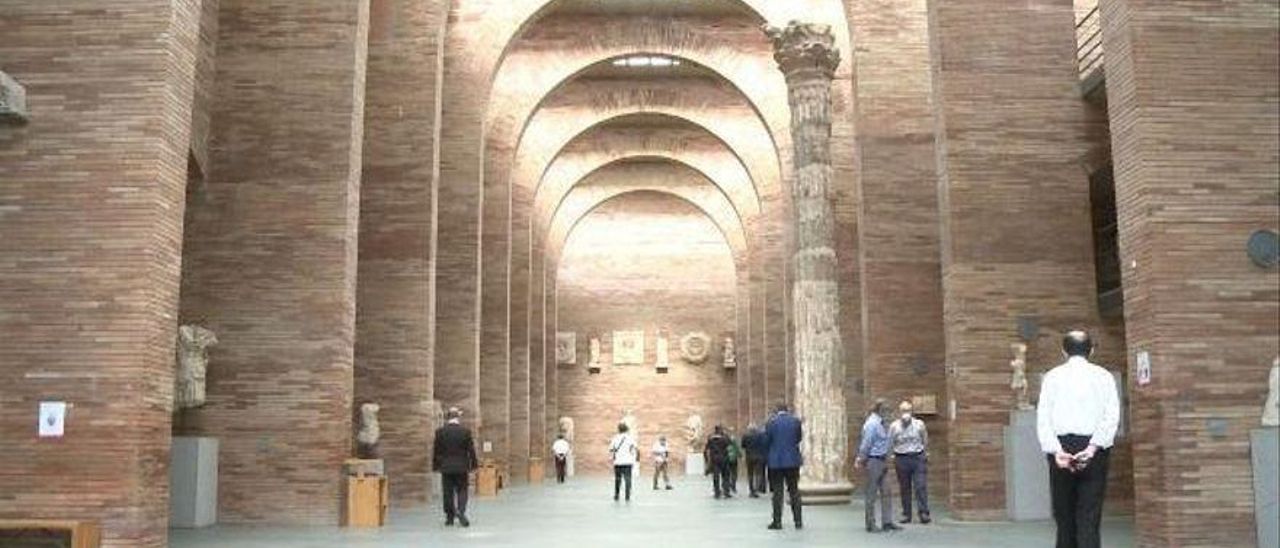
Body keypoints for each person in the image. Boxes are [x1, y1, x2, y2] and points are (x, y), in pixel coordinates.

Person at [1037, 330, 1120, 548]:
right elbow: (1111, 417)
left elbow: (1043, 418)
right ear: (1091, 350)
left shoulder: (1052, 377)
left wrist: (1056, 451)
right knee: (1089, 516)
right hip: (1094, 449)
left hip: (1061, 447)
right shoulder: (1104, 376)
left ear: (1063, 351)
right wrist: (1093, 448)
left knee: (1064, 517)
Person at [855, 399, 899, 533]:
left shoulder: (882, 423)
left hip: (883, 460)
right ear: (880, 410)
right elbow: (866, 443)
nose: (889, 413)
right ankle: (870, 523)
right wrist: (861, 458)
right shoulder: (872, 424)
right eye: (887, 410)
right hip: (873, 461)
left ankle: (887, 521)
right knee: (871, 493)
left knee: (887, 491)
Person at [433, 406, 478, 527]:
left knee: (447, 492)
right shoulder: (465, 432)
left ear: (448, 417)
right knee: (462, 490)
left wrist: (435, 466)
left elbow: (436, 451)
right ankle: (461, 510)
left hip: (446, 467)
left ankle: (449, 517)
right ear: (458, 417)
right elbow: (471, 450)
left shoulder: (440, 432)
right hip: (461, 466)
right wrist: (474, 465)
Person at [889, 400, 931, 524]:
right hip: (901, 458)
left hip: (917, 457)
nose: (905, 413)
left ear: (911, 412)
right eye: (903, 410)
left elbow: (925, 439)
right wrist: (892, 456)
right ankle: (906, 514)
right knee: (905, 487)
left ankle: (923, 512)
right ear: (899, 412)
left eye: (907, 410)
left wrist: (925, 453)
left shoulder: (919, 424)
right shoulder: (894, 426)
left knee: (920, 485)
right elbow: (890, 442)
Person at [762, 403, 803, 530]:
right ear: (787, 409)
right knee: (794, 491)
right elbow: (798, 438)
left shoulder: (771, 423)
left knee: (778, 492)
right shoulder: (795, 421)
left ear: (776, 410)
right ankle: (798, 521)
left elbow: (766, 441)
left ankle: (777, 521)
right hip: (792, 460)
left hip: (776, 462)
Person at [609, 422, 639, 501]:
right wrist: (636, 459)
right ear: (626, 429)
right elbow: (636, 448)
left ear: (618, 429)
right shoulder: (630, 438)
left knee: (618, 479)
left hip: (618, 461)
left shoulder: (615, 438)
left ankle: (617, 494)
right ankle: (627, 496)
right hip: (628, 461)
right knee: (628, 479)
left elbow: (611, 449)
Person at [704, 425, 733, 499]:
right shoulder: (725, 438)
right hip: (724, 459)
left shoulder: (710, 438)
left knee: (716, 476)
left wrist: (707, 460)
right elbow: (730, 443)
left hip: (714, 460)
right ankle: (726, 491)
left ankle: (717, 492)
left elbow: (706, 449)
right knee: (726, 475)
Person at [742, 423, 766, 498]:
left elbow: (743, 446)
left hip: (749, 457)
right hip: (759, 457)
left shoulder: (745, 436)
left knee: (750, 474)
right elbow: (764, 444)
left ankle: (751, 490)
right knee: (758, 473)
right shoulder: (760, 435)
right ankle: (756, 489)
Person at [726, 428, 741, 495]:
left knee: (728, 473)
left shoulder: (725, 439)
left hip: (727, 458)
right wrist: (739, 454)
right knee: (734, 473)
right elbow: (737, 448)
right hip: (734, 458)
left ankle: (728, 485)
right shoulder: (733, 440)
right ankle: (733, 485)